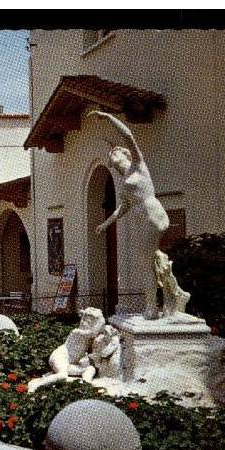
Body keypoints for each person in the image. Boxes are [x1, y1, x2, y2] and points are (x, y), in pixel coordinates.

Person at [88, 110, 170, 320]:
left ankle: (152, 308)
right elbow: (122, 208)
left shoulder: (138, 166)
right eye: (111, 158)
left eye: (114, 155)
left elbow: (128, 135)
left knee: (145, 263)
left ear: (125, 155)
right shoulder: (124, 185)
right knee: (149, 262)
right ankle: (166, 298)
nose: (112, 159)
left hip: (152, 214)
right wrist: (105, 224)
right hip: (143, 219)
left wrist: (107, 117)